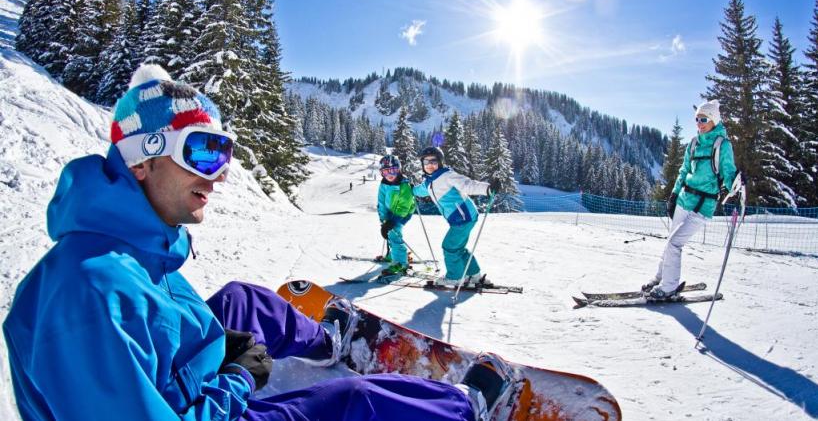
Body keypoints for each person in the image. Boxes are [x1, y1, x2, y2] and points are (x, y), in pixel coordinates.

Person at [2, 65, 513, 421]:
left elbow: (155, 342)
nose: (220, 176)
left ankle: (326, 342)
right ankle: (467, 407)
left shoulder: (132, 249)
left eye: (225, 156)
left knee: (241, 301)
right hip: (205, 406)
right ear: (142, 158)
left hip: (182, 380)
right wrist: (238, 378)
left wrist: (215, 350)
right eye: (203, 153)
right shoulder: (90, 298)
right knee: (351, 403)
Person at [643, 100, 738, 299]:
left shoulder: (722, 145)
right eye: (697, 119)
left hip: (703, 205)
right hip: (684, 200)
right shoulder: (694, 143)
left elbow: (729, 175)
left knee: (675, 243)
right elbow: (684, 171)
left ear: (714, 120)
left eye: (704, 119)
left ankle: (669, 287)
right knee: (671, 241)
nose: (699, 123)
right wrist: (674, 195)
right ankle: (660, 278)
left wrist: (737, 182)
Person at [412, 146, 499, 287]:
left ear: (440, 162)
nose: (429, 165)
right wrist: (411, 190)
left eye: (433, 161)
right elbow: (422, 190)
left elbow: (468, 185)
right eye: (426, 162)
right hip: (460, 218)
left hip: (463, 217)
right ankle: (474, 275)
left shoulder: (447, 176)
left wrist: (487, 189)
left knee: (450, 247)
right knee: (458, 248)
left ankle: (455, 277)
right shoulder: (429, 181)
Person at [376, 154, 416, 274]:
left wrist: (392, 221)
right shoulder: (384, 184)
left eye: (393, 170)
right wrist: (384, 220)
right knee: (388, 231)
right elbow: (381, 202)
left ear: (399, 170)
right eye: (386, 171)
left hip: (403, 213)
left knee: (394, 233)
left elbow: (405, 206)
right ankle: (392, 255)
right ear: (382, 173)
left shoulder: (404, 185)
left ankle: (400, 263)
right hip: (390, 212)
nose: (390, 175)